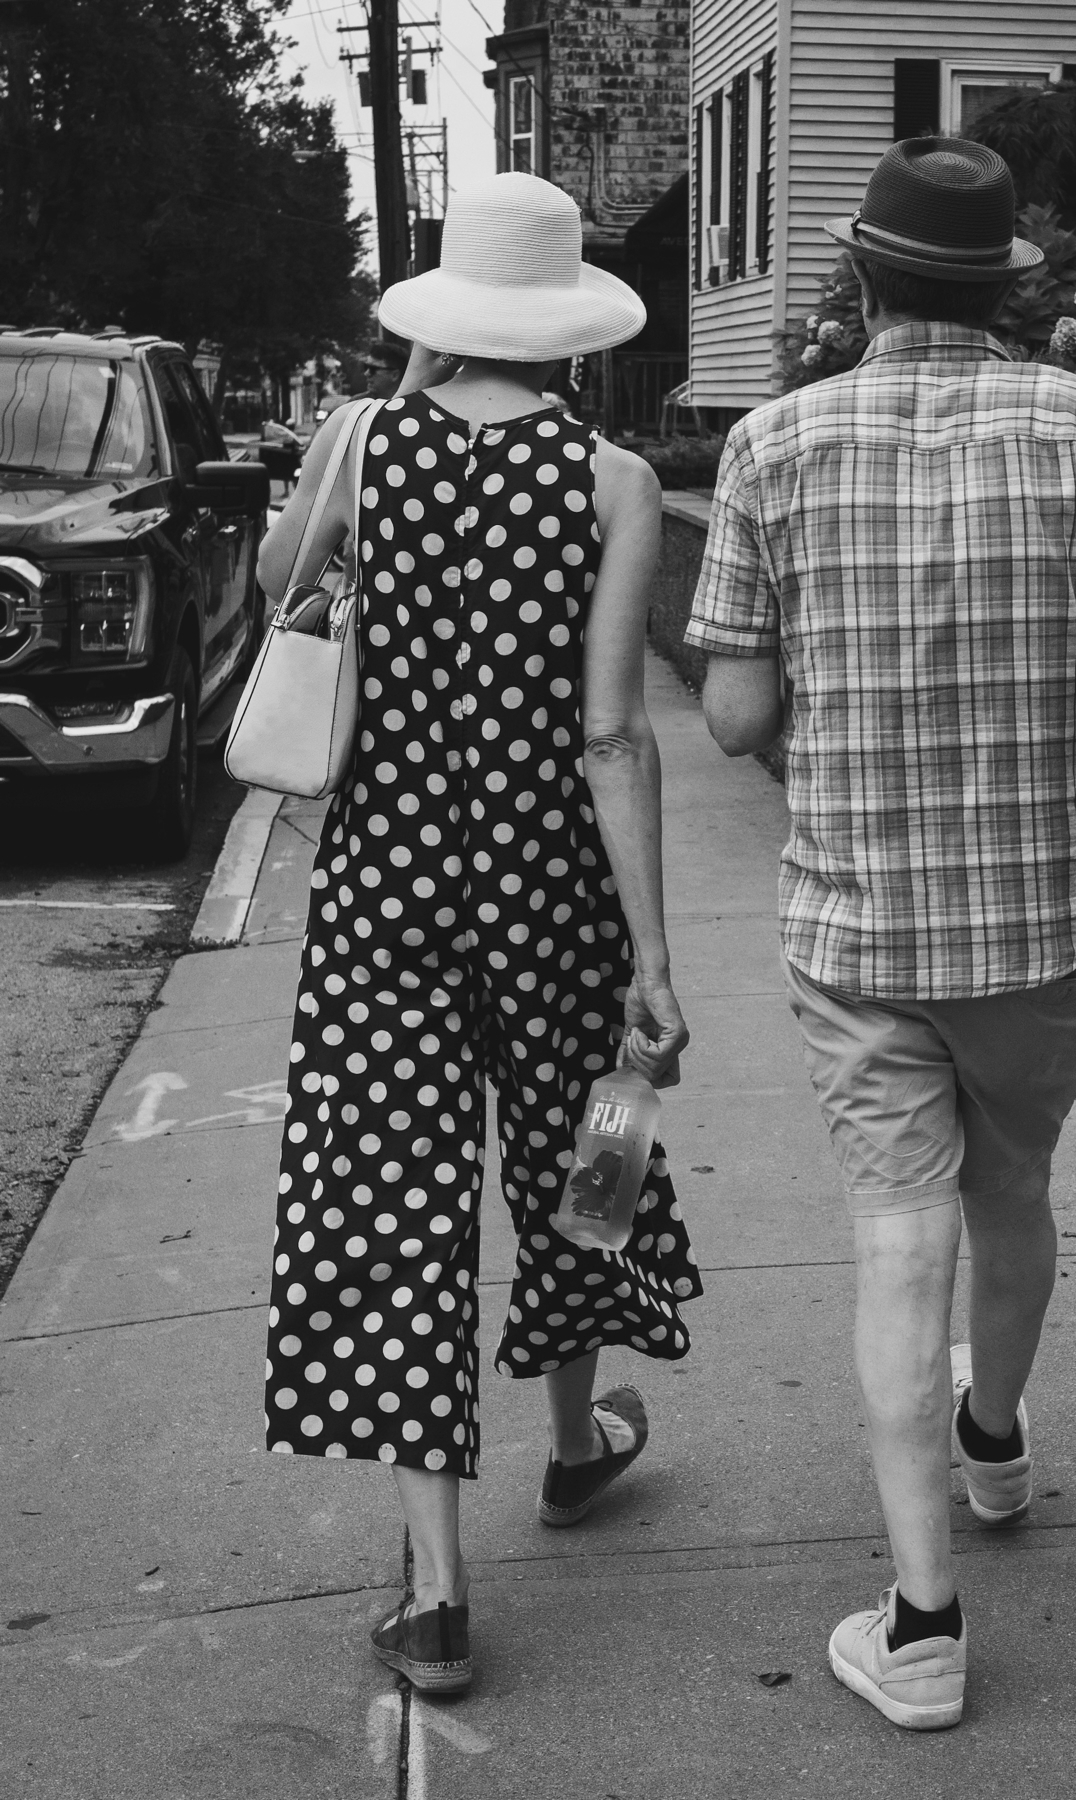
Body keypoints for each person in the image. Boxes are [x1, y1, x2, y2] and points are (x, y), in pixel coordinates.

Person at [685, 139, 1076, 1731]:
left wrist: (819, 719)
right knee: (1016, 1187)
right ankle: (998, 1442)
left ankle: (921, 1628)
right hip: (1047, 926)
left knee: (898, 1238)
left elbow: (728, 711)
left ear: (861, 280)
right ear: (1007, 294)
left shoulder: (771, 442)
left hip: (856, 929)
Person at [256, 172, 698, 1695]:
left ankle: (437, 1598)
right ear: (571, 320)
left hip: (384, 893)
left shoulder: (364, 442)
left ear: (447, 312)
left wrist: (390, 406)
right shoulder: (615, 478)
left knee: (387, 1200)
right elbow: (614, 738)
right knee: (590, 1163)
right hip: (553, 893)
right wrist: (652, 957)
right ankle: (575, 1446)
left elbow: (276, 591)